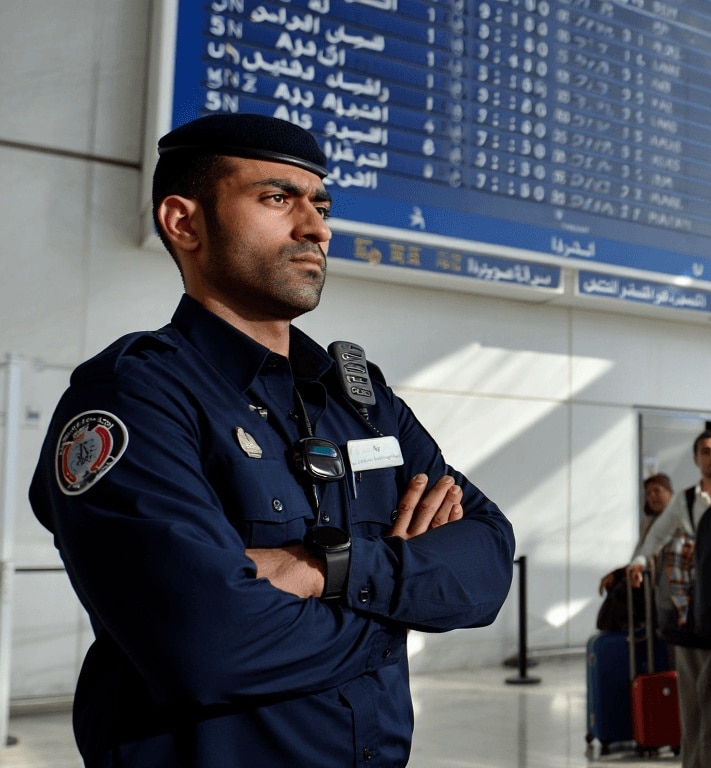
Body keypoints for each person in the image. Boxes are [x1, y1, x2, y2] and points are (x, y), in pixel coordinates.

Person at [27, 113, 516, 767]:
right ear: (184, 222)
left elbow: (485, 560)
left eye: (320, 203)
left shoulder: (359, 400)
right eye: (277, 198)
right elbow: (212, 647)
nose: (315, 226)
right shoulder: (133, 397)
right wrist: (402, 602)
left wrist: (324, 570)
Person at [625, 431, 711, 768]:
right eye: (705, 451)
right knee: (691, 697)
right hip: (688, 610)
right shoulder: (685, 500)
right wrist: (639, 563)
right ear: (696, 458)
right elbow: (655, 538)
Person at [640, 472, 674, 540]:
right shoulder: (646, 524)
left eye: (657, 491)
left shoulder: (683, 517)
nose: (652, 496)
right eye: (648, 493)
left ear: (669, 492)